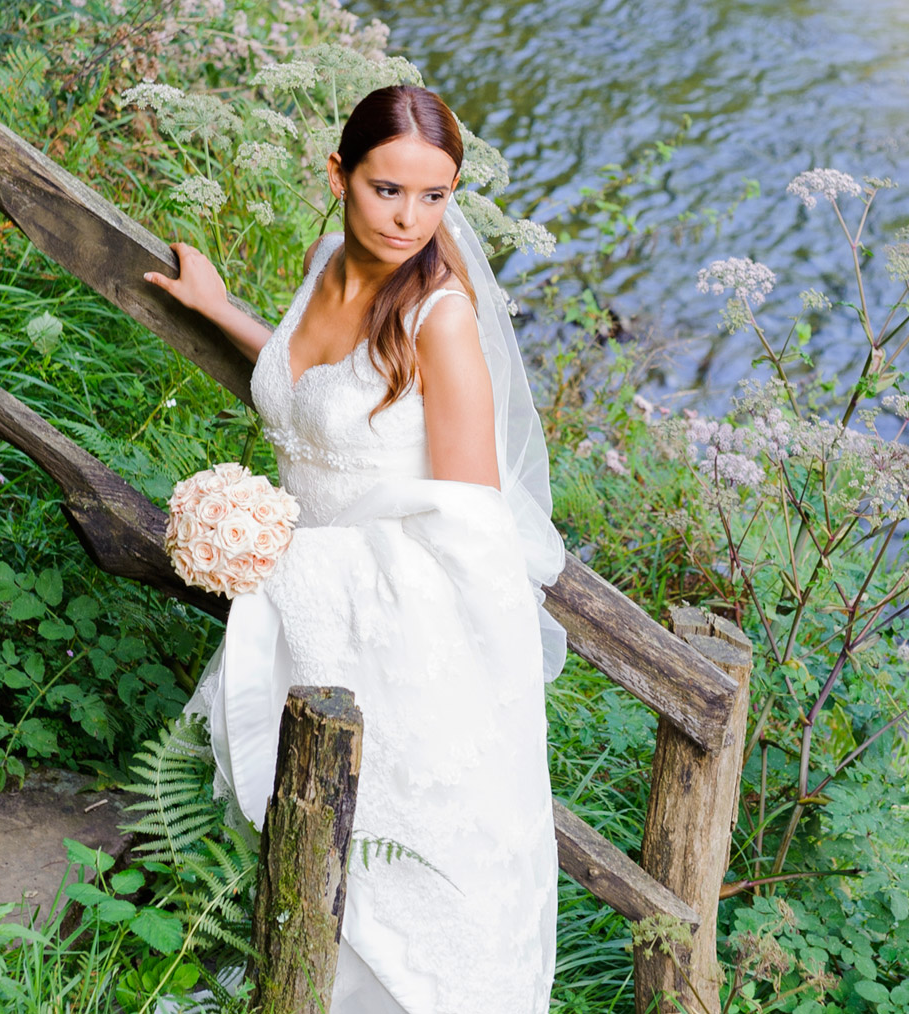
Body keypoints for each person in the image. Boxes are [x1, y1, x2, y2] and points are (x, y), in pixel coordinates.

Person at [144, 85, 565, 1014]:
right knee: (296, 823)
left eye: (434, 196)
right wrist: (219, 310)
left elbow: (470, 526)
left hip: (399, 619)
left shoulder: (439, 319)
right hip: (310, 606)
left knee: (391, 853)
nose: (410, 219)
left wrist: (285, 555)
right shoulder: (323, 261)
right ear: (339, 176)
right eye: (388, 190)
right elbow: (316, 391)